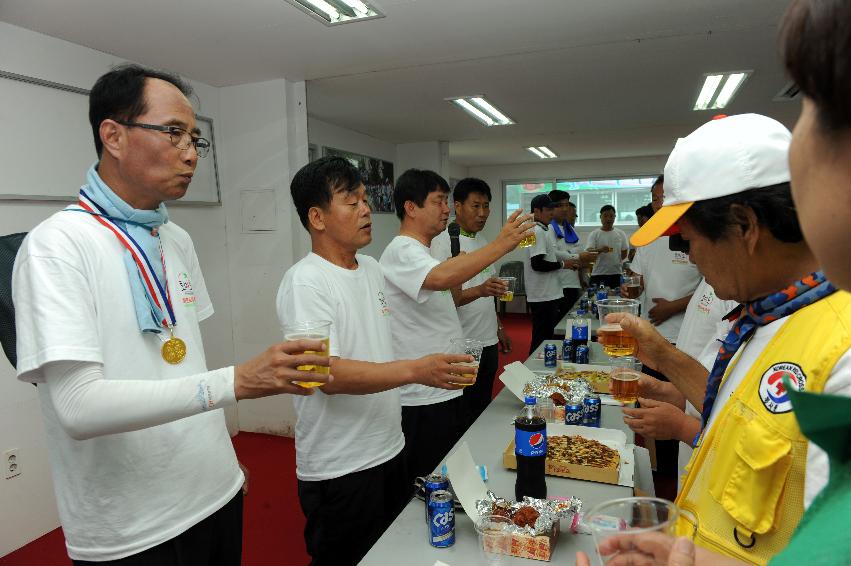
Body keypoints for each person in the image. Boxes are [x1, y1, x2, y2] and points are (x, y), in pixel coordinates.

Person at [12, 64, 333, 565]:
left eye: (195, 139)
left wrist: (220, 461)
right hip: (134, 527)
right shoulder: (56, 246)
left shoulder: (174, 240)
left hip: (212, 493)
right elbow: (78, 408)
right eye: (173, 132)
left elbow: (182, 362)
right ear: (113, 136)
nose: (190, 153)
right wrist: (240, 382)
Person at [579, 4, 851, 562]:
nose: (687, 258)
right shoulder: (763, 318)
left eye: (687, 242)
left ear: (745, 227)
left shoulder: (838, 349)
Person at [277, 157, 481, 566]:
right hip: (341, 464)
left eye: (365, 199)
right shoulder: (306, 281)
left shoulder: (370, 268)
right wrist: (415, 369)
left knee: (391, 552)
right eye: (351, 202)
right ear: (317, 217)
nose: (367, 209)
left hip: (389, 445)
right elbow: (319, 373)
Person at [379, 169, 532, 485]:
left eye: (447, 201)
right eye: (439, 202)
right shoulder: (401, 250)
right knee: (426, 475)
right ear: (411, 208)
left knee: (446, 464)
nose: (447, 209)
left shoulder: (422, 251)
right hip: (422, 394)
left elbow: (448, 288)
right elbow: (442, 279)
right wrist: (503, 244)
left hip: (443, 383)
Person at [431, 178, 511, 425]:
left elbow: (488, 289)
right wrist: (480, 290)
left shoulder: (483, 240)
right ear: (457, 206)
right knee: (461, 412)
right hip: (462, 344)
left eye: (486, 206)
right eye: (475, 206)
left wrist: (498, 327)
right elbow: (443, 300)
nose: (483, 213)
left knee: (483, 407)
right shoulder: (442, 242)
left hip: (487, 340)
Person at [523, 194, 576, 355]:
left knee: (545, 337)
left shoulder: (540, 229)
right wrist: (563, 265)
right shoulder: (537, 230)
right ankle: (531, 374)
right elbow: (537, 264)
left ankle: (538, 370)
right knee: (542, 339)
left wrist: (571, 260)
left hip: (546, 293)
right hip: (543, 295)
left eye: (553, 208)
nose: (552, 213)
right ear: (536, 211)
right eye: (548, 209)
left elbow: (551, 255)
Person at [547, 190, 592, 320]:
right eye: (561, 205)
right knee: (560, 323)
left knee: (572, 321)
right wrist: (577, 256)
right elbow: (552, 254)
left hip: (573, 282)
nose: (565, 209)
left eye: (567, 205)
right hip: (559, 284)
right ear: (551, 207)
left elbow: (578, 249)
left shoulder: (569, 228)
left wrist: (582, 274)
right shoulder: (549, 228)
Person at [585, 204, 629, 289]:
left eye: (611, 216)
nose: (608, 219)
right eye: (605, 216)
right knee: (597, 299)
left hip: (616, 274)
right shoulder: (594, 234)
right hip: (598, 274)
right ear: (600, 217)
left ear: (615, 217)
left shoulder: (620, 233)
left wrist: (616, 261)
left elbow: (624, 253)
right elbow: (589, 252)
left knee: (616, 299)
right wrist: (600, 250)